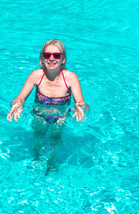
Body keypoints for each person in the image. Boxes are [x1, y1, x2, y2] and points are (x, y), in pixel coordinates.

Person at [7, 39, 89, 175]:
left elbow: (82, 103)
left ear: (63, 59)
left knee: (55, 137)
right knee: (38, 135)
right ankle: (37, 159)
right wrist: (18, 104)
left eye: (56, 55)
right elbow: (20, 97)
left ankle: (51, 162)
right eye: (47, 55)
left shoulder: (70, 78)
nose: (51, 59)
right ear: (42, 58)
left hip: (60, 115)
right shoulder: (36, 75)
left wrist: (80, 107)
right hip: (40, 113)